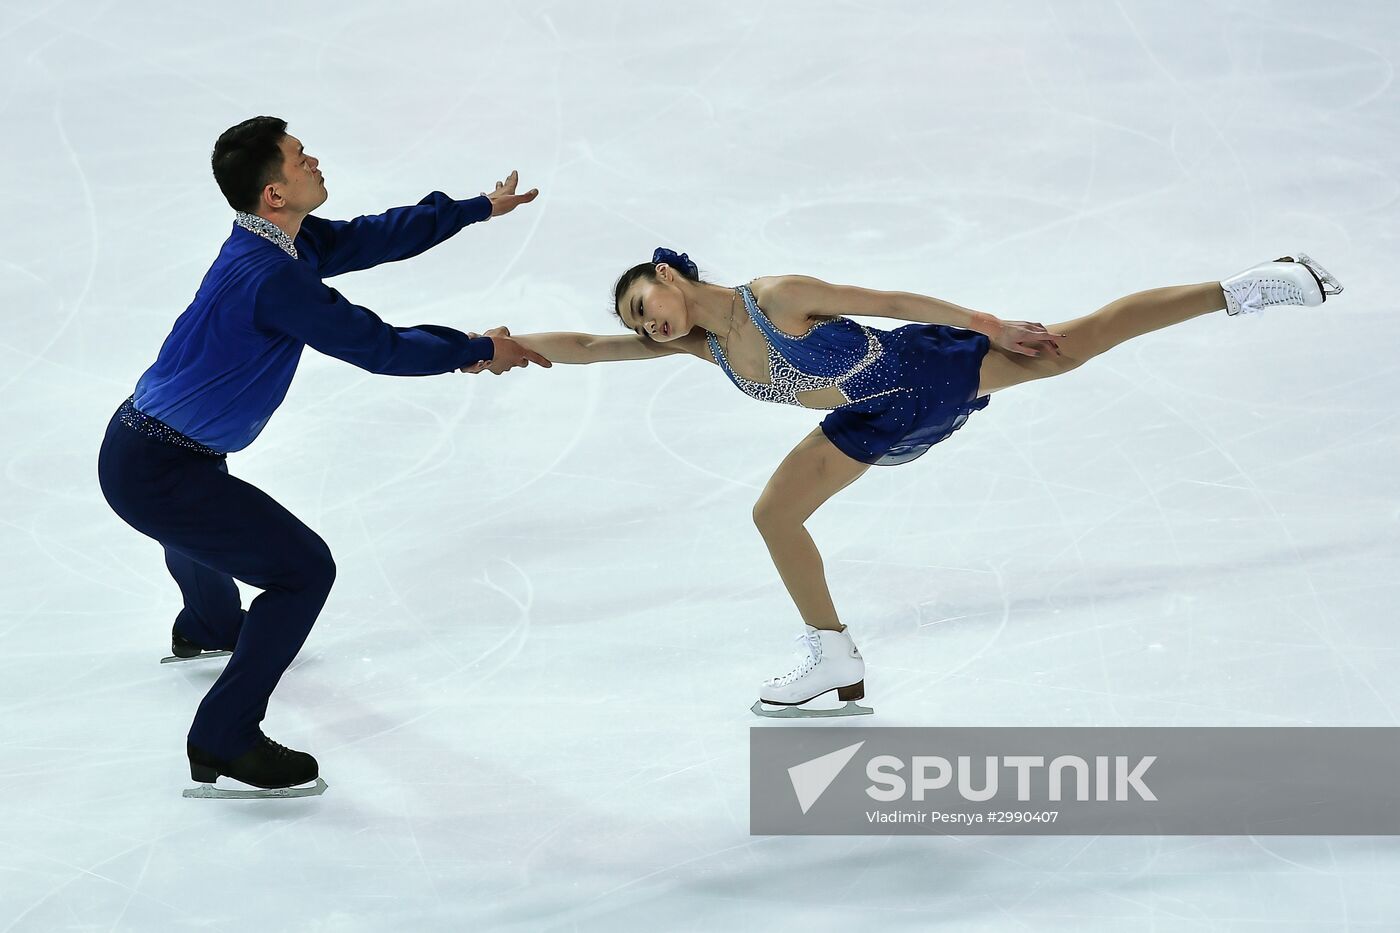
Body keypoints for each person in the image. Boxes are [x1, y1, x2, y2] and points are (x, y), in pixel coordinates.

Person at [507, 247, 1343, 717]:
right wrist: (491, 344)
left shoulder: (777, 294)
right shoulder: (701, 344)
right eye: (638, 321)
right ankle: (832, 654)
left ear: (668, 272)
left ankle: (1250, 286)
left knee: (1079, 339)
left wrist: (987, 325)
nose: (646, 323)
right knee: (775, 515)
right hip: (866, 420)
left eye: (644, 302)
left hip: (920, 374)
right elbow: (587, 346)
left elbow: (891, 295)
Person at [97, 116, 550, 797]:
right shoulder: (270, 277)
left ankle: (210, 624)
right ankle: (223, 733)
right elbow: (377, 346)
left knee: (200, 515)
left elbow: (371, 236)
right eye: (300, 157)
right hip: (157, 468)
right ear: (274, 193)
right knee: (304, 570)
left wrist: (476, 208)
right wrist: (478, 349)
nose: (315, 160)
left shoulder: (282, 243)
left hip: (150, 448)